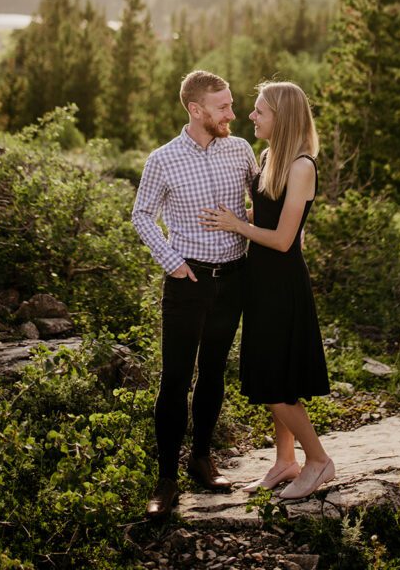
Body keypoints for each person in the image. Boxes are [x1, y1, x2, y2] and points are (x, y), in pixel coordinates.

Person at [200, 80, 334, 500]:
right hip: (260, 281)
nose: (251, 117)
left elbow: (282, 239)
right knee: (276, 377)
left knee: (274, 385)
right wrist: (237, 215)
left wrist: (237, 225)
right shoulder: (270, 156)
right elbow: (267, 213)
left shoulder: (301, 166)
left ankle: (318, 461)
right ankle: (285, 461)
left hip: (282, 284)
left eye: (260, 111)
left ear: (283, 116)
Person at [132, 70, 257, 518]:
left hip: (234, 279)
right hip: (188, 282)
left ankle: (201, 459)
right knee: (175, 378)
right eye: (223, 106)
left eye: (231, 104)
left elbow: (264, 201)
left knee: (214, 373)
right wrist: (174, 263)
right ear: (196, 109)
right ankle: (166, 480)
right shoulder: (162, 159)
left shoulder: (241, 150)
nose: (232, 113)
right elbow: (142, 215)